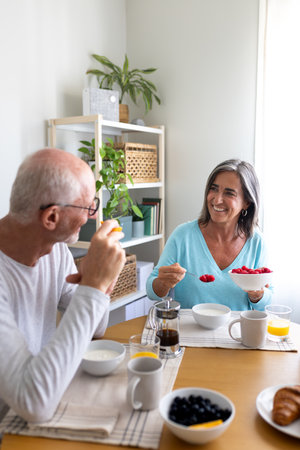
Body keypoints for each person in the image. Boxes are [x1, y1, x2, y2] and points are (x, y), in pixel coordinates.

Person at [0, 148, 126, 423]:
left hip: (48, 392)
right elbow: (34, 404)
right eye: (88, 206)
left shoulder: (54, 250)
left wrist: (102, 282)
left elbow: (96, 327)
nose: (93, 215)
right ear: (51, 218)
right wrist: (92, 287)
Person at [146, 159, 272, 310]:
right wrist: (163, 283)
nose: (217, 200)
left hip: (236, 331)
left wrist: (257, 294)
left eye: (229, 193)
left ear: (247, 202)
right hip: (190, 331)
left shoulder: (256, 242)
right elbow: (152, 292)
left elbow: (267, 301)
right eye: (214, 189)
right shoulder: (182, 235)